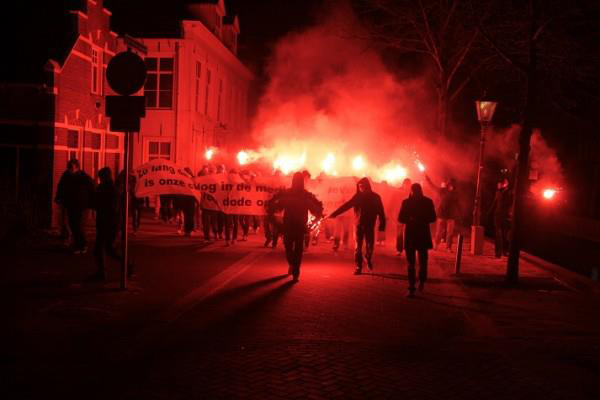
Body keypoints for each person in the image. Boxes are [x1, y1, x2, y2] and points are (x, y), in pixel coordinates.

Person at [268, 172, 323, 282]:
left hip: (292, 226)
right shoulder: (303, 195)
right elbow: (317, 209)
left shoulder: (292, 194)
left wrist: (272, 213)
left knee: (291, 248)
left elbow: (276, 205)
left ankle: (294, 268)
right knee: (296, 250)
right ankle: (295, 269)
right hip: (296, 226)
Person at [329, 177, 386, 275]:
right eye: (359, 186)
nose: (361, 188)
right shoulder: (358, 197)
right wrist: (335, 213)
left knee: (369, 245)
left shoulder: (375, 197)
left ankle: (368, 258)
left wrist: (382, 225)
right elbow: (347, 205)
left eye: (362, 186)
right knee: (358, 247)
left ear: (367, 186)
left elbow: (381, 211)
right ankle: (358, 266)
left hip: (369, 225)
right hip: (358, 225)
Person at [398, 183, 437, 297]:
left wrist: (420, 218)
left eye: (416, 192)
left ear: (420, 191)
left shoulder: (427, 202)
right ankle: (411, 287)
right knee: (411, 263)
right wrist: (410, 219)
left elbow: (433, 217)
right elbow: (400, 218)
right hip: (412, 235)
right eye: (413, 192)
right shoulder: (406, 202)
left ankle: (421, 281)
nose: (414, 194)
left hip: (421, 235)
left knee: (422, 262)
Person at [54, 159, 94, 254]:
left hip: (81, 205)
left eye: (72, 167)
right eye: (69, 167)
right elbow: (61, 187)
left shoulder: (84, 177)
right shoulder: (66, 176)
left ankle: (82, 245)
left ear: (77, 167)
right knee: (73, 225)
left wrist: (91, 204)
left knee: (78, 225)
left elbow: (91, 190)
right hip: (70, 204)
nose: (70, 169)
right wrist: (58, 197)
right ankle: (78, 245)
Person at [90, 167, 121, 281]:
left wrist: (96, 203)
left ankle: (102, 273)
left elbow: (110, 207)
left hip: (107, 222)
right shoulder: (110, 188)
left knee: (103, 249)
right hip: (109, 222)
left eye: (100, 177)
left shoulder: (107, 189)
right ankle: (126, 266)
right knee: (107, 248)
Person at [425, 174, 458, 251]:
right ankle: (436, 245)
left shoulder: (455, 193)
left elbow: (457, 204)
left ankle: (448, 247)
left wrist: (459, 214)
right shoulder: (442, 190)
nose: (451, 186)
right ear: (448, 184)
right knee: (439, 232)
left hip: (451, 215)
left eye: (452, 185)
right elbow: (433, 186)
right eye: (450, 184)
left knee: (450, 233)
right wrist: (428, 179)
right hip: (442, 214)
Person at [489, 177, 512, 258]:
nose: (497, 185)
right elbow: (494, 203)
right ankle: (498, 253)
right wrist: (488, 213)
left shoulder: (509, 193)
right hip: (498, 216)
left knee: (505, 235)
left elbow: (510, 204)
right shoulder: (498, 192)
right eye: (498, 184)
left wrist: (510, 214)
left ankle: (504, 251)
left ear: (504, 184)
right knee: (498, 234)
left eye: (499, 183)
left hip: (505, 216)